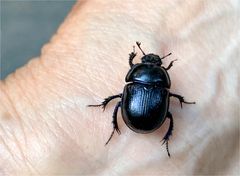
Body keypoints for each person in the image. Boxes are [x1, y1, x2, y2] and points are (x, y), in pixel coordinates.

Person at [0, 1, 239, 175]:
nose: (150, 61)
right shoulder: (162, 85)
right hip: (152, 117)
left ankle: (126, 130)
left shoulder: (137, 79)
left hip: (134, 114)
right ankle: (160, 139)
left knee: (116, 102)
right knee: (160, 111)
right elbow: (171, 96)